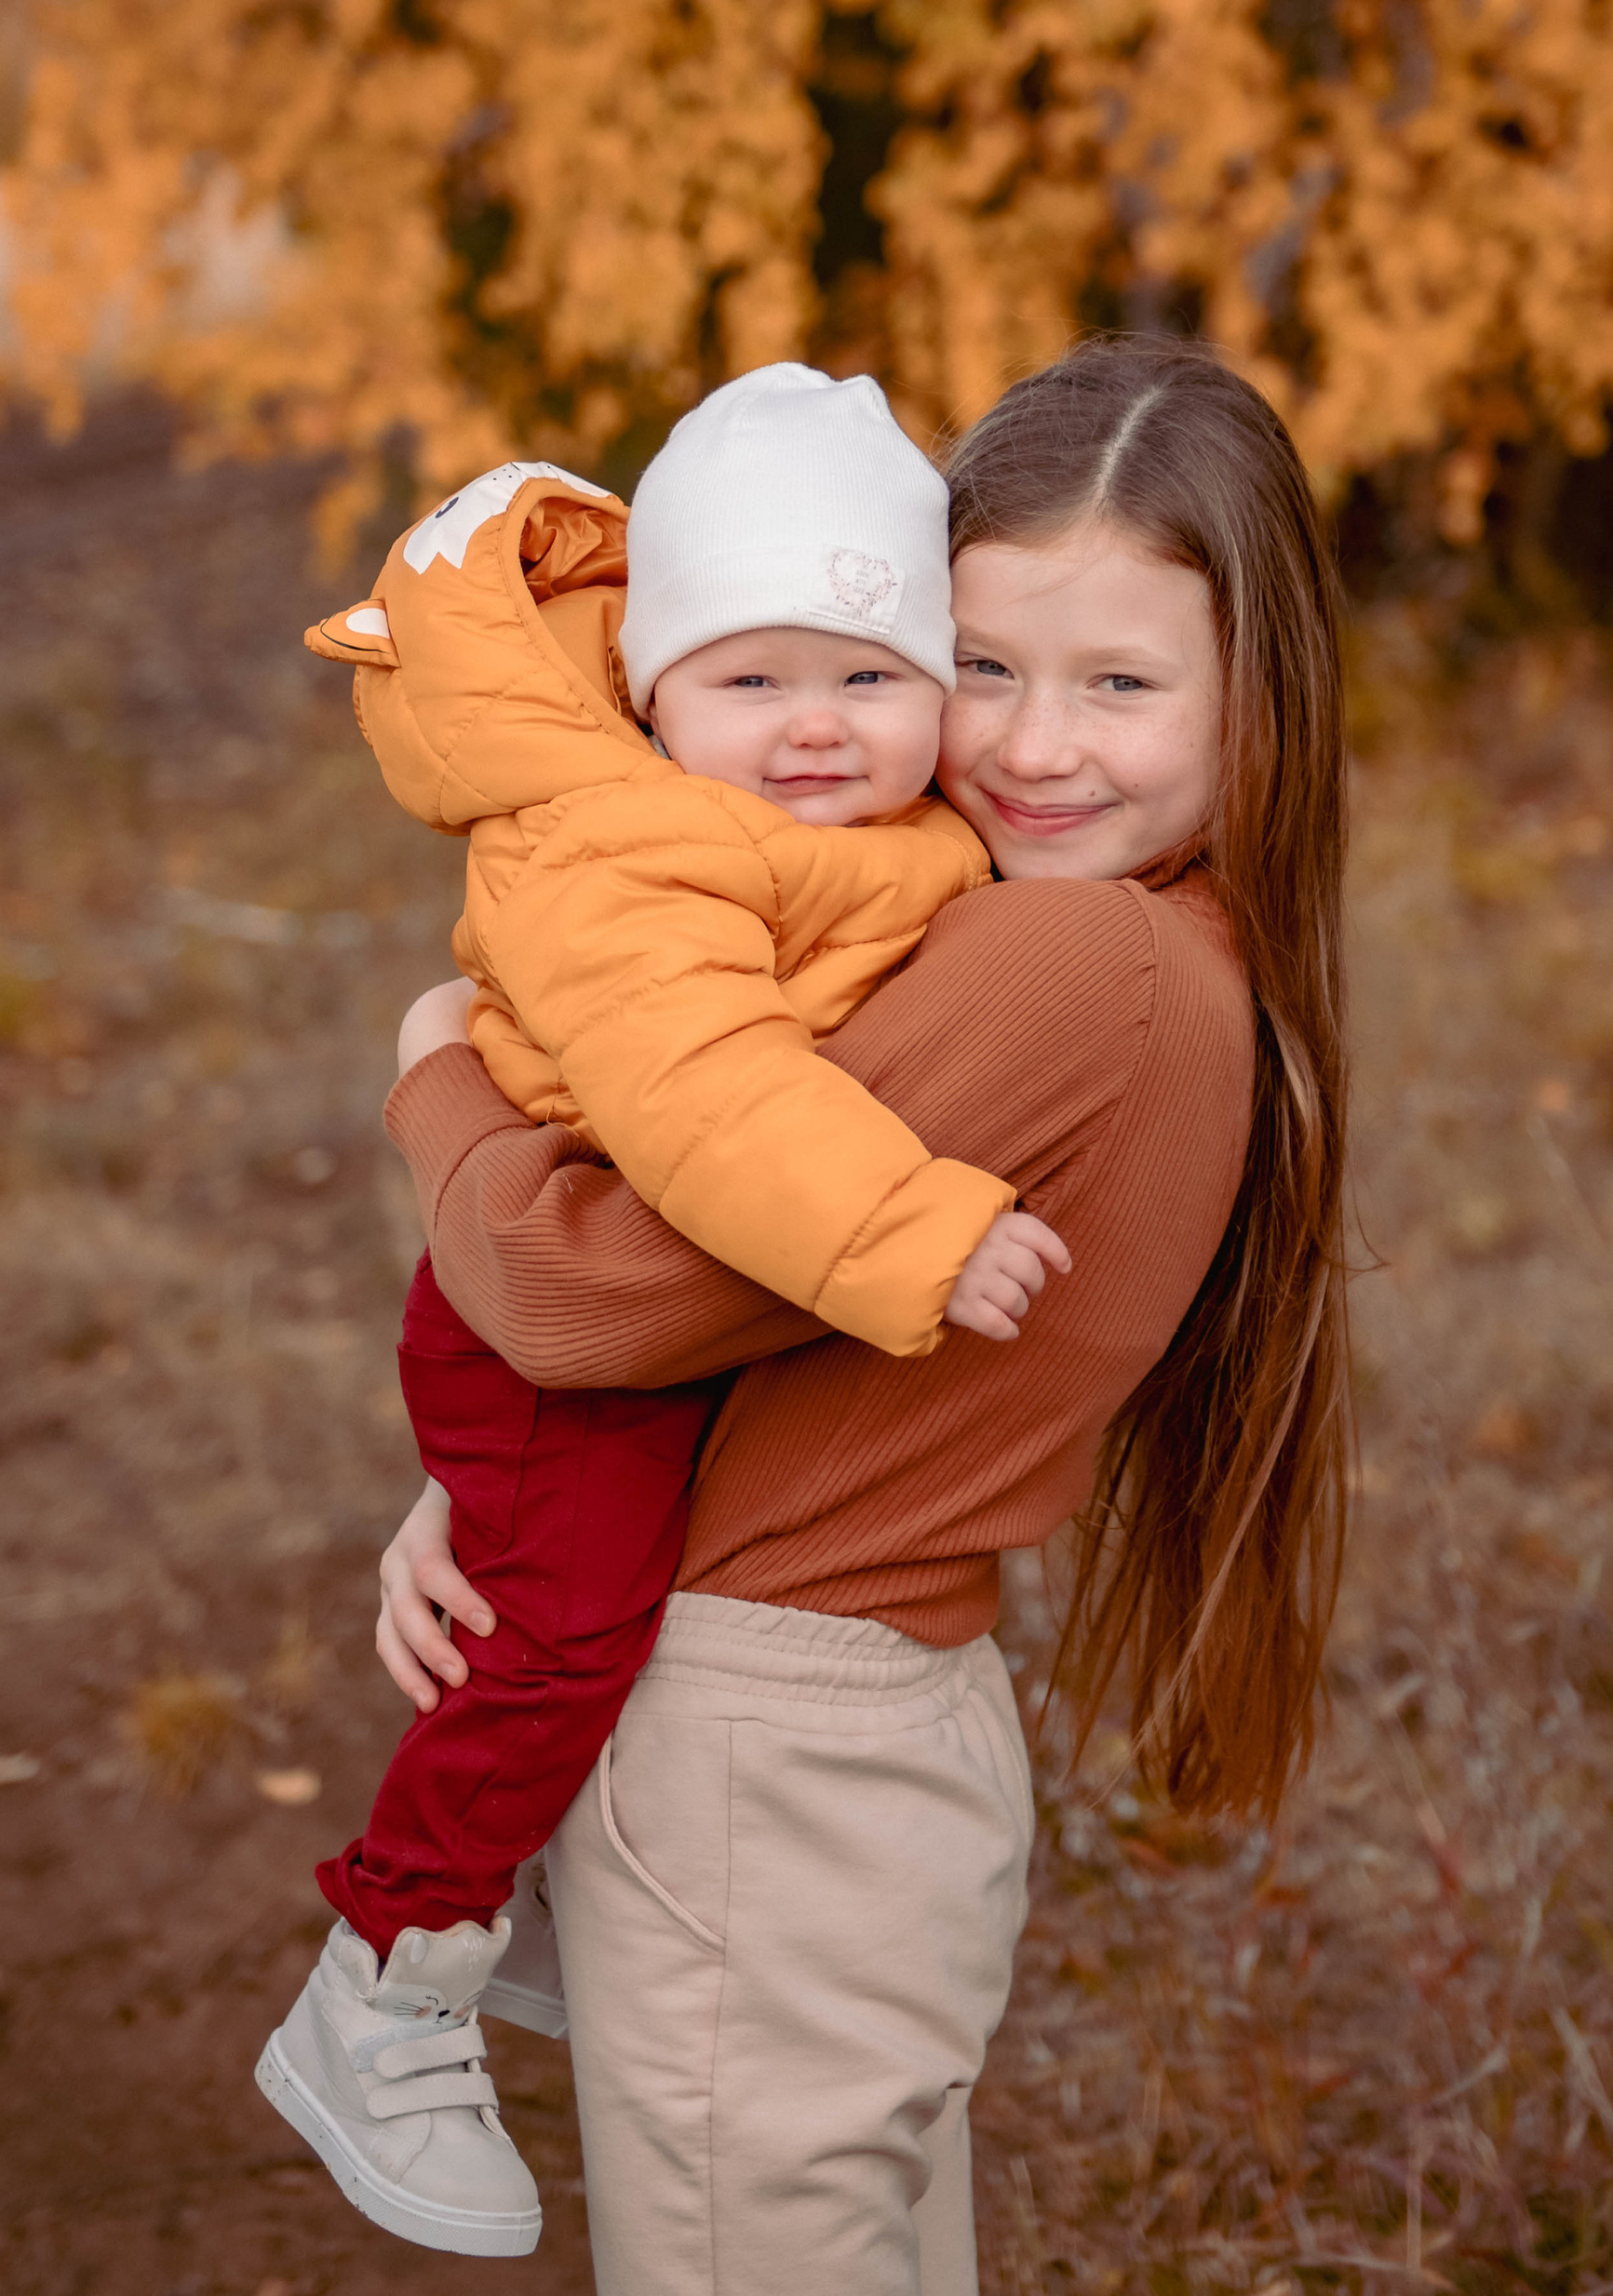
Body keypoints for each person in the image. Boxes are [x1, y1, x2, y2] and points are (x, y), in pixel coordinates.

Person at [372, 335, 1351, 2296]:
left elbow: (585, 1286)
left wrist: (430, 1068)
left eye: (1124, 684)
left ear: (1262, 709)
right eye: (980, 665)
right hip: (845, 1732)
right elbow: (732, 1301)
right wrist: (490, 1495)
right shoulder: (1135, 945)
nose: (1032, 747)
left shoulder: (1071, 959)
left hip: (770, 1744)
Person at [255, 364, 1069, 2259]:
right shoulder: (630, 845)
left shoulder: (875, 828)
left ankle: (525, 1867)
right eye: (752, 678)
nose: (813, 728)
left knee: (614, 1589)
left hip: (676, 1278)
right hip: (566, 1283)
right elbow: (709, 1093)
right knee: (561, 1624)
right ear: (650, 691)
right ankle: (387, 1969)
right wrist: (908, 1230)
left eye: (871, 678)